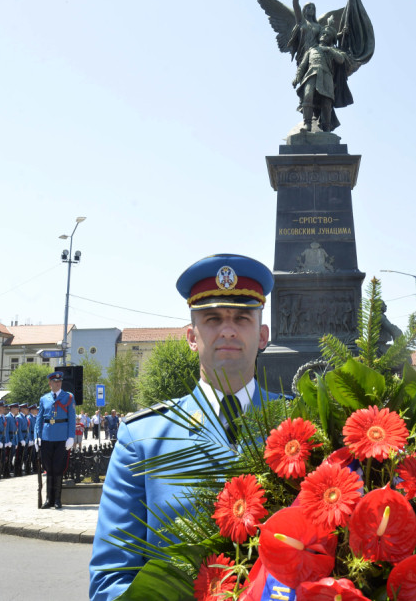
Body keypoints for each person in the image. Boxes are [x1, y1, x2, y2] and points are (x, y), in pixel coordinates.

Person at [90, 253, 281, 601]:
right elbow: (112, 579)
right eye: (213, 319)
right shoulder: (142, 439)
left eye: (242, 318)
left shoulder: (299, 424)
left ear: (263, 335)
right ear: (192, 337)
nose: (227, 329)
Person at [292, 26, 353, 132]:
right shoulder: (311, 50)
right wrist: (297, 78)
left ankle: (326, 127)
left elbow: (341, 60)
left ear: (331, 39)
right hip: (311, 75)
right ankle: (307, 124)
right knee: (307, 96)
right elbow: (302, 66)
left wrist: (329, 50)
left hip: (326, 77)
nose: (324, 36)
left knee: (326, 102)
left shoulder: (332, 50)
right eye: (323, 33)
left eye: (327, 35)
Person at [36, 371, 76, 510]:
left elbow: (72, 417)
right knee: (48, 468)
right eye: (55, 381)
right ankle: (49, 499)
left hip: (62, 437)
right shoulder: (44, 398)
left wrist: (71, 436)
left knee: (58, 468)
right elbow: (39, 419)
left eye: (59, 381)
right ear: (50, 383)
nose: (57, 383)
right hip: (47, 437)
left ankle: (57, 499)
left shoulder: (68, 397)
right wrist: (37, 436)